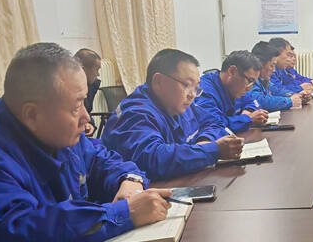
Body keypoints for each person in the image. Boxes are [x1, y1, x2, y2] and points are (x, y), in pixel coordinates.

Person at [0, 43, 171, 242]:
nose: (87, 118)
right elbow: (8, 233)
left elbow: (100, 158)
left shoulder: (58, 131)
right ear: (32, 115)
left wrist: (130, 180)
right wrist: (123, 213)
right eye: (77, 106)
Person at [101, 49, 244, 181]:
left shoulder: (178, 103)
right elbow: (154, 159)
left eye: (196, 88)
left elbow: (214, 123)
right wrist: (213, 150)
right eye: (187, 85)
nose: (192, 95)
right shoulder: (136, 113)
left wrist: (204, 141)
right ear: (159, 81)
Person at [195, 50, 267, 133]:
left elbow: (253, 102)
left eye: (253, 83)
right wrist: (248, 119)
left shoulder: (236, 87)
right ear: (232, 71)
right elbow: (213, 124)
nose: (249, 89)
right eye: (250, 81)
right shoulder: (204, 91)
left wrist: (248, 110)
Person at [245, 41, 306, 111]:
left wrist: (294, 95)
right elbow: (260, 101)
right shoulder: (250, 80)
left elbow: (276, 90)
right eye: (271, 65)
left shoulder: (264, 80)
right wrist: (289, 101)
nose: (273, 70)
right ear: (260, 64)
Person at [74, 48, 102, 136]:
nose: (98, 74)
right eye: (96, 69)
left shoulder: (92, 85)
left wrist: (89, 123)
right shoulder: (66, 90)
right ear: (82, 70)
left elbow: (87, 112)